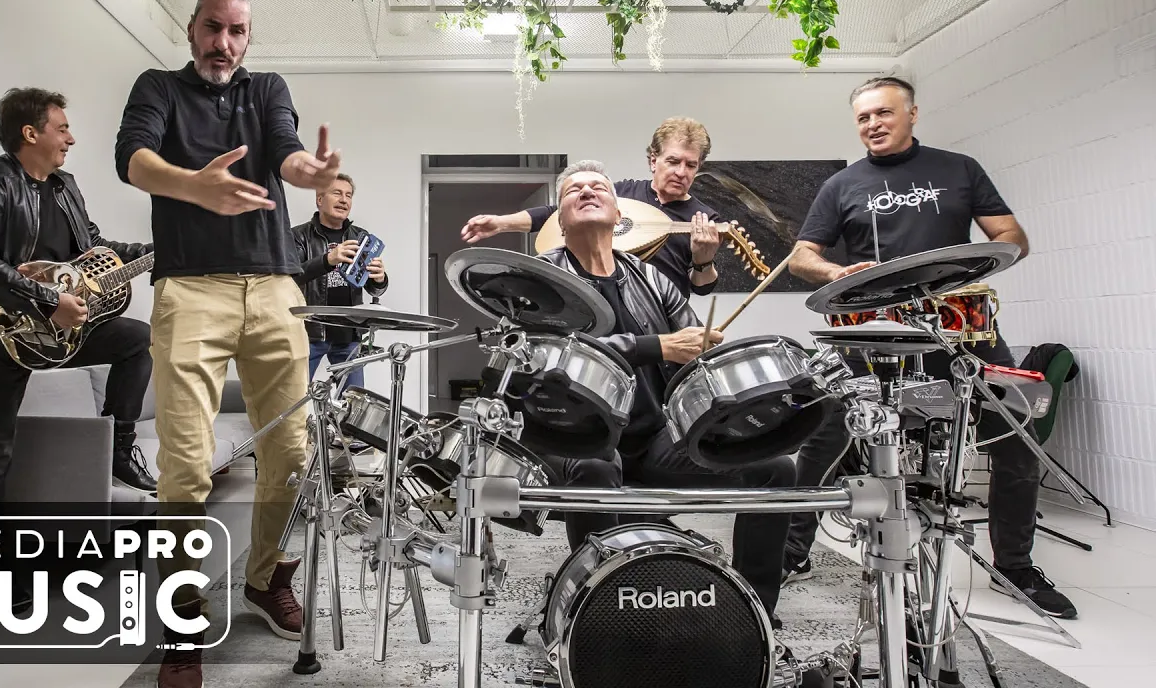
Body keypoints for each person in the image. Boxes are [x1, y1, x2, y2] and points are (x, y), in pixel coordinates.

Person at [114, 0, 342, 685]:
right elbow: (133, 159)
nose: (224, 43)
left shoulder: (266, 87)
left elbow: (288, 153)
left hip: (274, 286)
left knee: (292, 452)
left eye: (237, 31)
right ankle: (183, 619)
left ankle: (264, 578)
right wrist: (194, 186)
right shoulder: (157, 87)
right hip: (189, 288)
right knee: (184, 466)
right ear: (192, 29)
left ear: (248, 37)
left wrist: (310, 173)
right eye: (213, 28)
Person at [785, 76, 1076, 619]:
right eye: (863, 117)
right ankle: (791, 553)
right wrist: (834, 272)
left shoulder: (959, 169)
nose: (873, 124)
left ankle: (1015, 567)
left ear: (912, 114)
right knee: (822, 440)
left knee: (1017, 433)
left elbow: (1012, 237)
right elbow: (802, 257)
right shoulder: (842, 185)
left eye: (883, 113)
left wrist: (970, 265)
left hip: (961, 330)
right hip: (873, 335)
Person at [535, 160, 796, 625]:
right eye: (575, 189)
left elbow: (693, 354)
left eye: (599, 187)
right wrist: (656, 346)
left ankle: (752, 611)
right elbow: (546, 351)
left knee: (775, 467)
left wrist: (707, 352)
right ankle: (597, 610)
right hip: (576, 437)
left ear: (619, 216)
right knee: (597, 466)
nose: (588, 191)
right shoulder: (542, 279)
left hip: (653, 439)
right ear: (559, 218)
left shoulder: (653, 279)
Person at [0, 87, 156, 608]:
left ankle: (119, 448)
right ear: (30, 133)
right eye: (62, 129)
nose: (71, 139)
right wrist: (47, 300)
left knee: (137, 338)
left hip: (57, 333)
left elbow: (94, 250)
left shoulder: (64, 188)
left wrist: (154, 251)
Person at [461, 117, 723, 298]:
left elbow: (702, 288)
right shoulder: (622, 193)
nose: (681, 172)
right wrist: (501, 224)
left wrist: (704, 260)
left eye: (691, 165)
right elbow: (556, 214)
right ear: (653, 161)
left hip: (661, 313)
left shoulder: (704, 218)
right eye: (673, 161)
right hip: (608, 303)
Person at [291, 173, 387, 389]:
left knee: (353, 400)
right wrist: (328, 260)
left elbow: (373, 289)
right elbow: (291, 277)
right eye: (337, 193)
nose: (344, 200)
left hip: (349, 334)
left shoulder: (361, 236)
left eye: (348, 195)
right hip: (310, 332)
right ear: (319, 199)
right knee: (295, 395)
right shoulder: (299, 236)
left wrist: (380, 279)